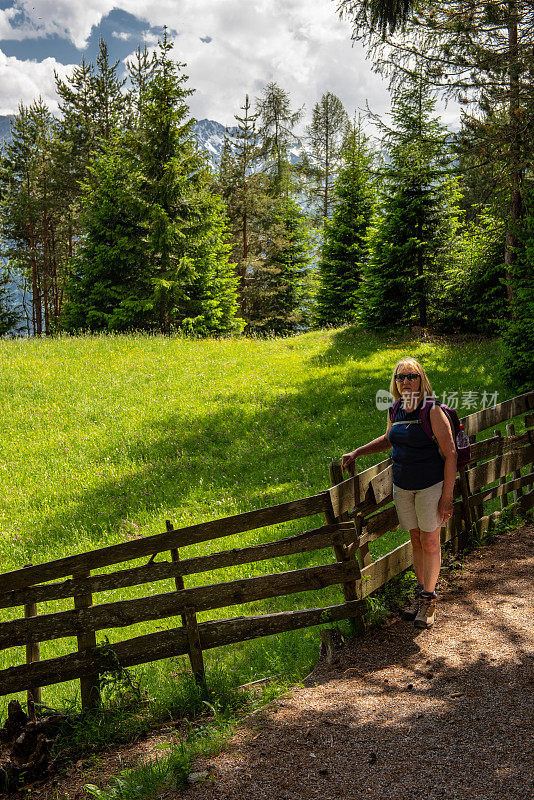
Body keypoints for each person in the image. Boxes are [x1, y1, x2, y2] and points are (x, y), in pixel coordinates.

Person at [341, 357, 456, 629]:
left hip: (430, 486)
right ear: (395, 382)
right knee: (415, 539)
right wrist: (358, 452)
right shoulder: (395, 410)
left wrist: (447, 496)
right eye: (400, 377)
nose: (406, 381)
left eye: (411, 376)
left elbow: (450, 454)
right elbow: (388, 439)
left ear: (421, 379)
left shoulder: (432, 411)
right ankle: (420, 595)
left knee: (430, 542)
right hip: (403, 487)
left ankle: (429, 602)